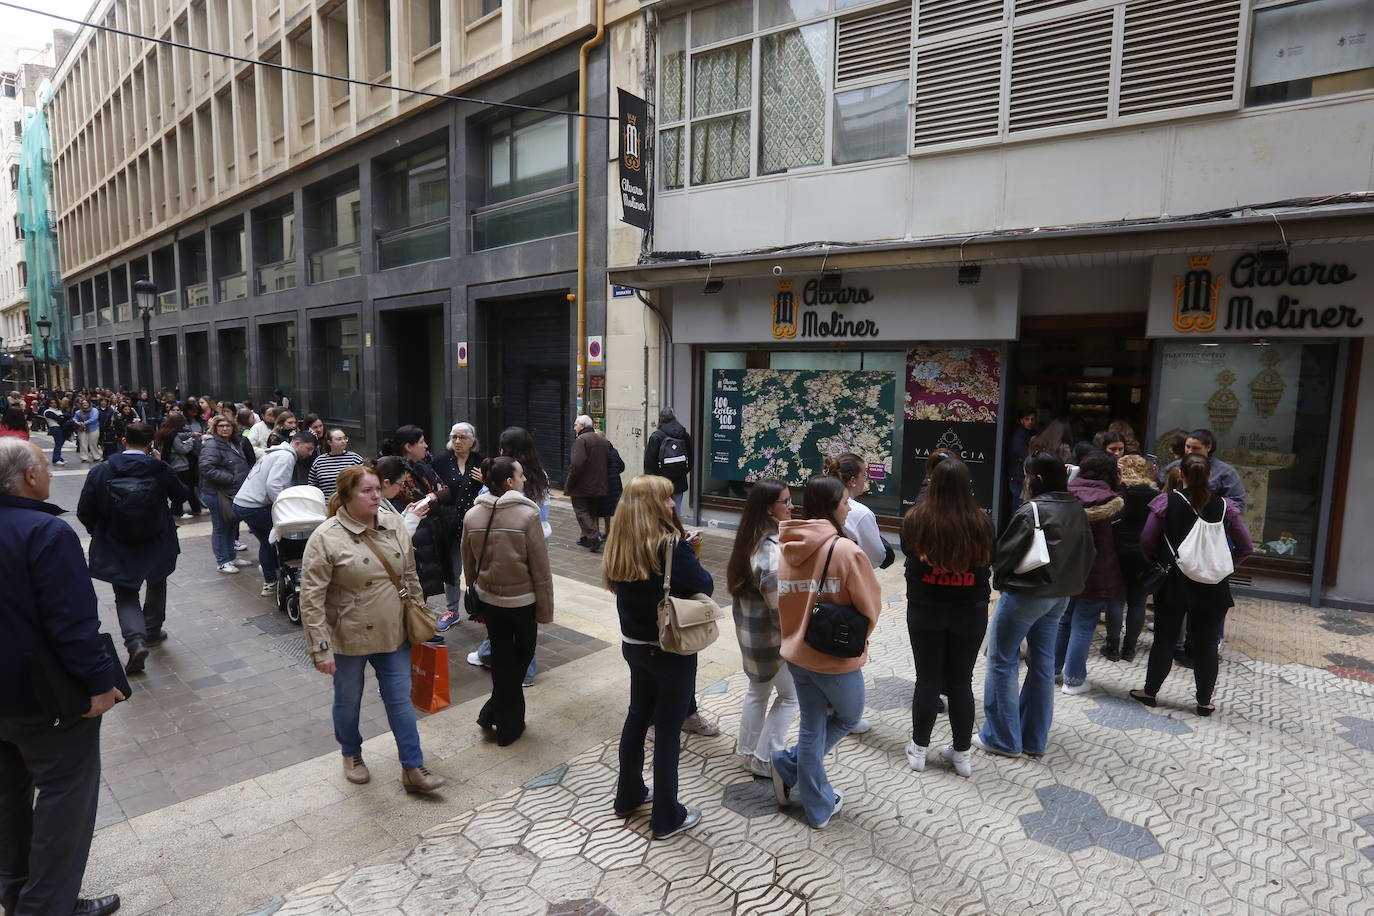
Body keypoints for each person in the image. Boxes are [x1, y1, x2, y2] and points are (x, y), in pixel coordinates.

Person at [0, 438, 124, 916]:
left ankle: (16, 894)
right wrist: (98, 683)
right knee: (65, 799)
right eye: (45, 468)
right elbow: (72, 622)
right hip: (44, 698)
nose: (50, 474)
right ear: (29, 477)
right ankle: (45, 906)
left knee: (9, 796)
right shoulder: (45, 533)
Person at [299, 465, 446, 794]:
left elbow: (409, 575)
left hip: (393, 632)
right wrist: (320, 648)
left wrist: (418, 616)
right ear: (348, 495)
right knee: (348, 700)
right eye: (367, 491)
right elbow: (311, 599)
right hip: (348, 635)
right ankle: (351, 753)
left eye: (378, 488)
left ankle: (413, 767)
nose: (376, 495)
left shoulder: (393, 524)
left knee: (400, 700)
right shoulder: (326, 537)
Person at [768, 475, 882, 829]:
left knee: (812, 725)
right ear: (831, 507)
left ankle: (790, 766)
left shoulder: (787, 544)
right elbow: (871, 607)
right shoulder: (846, 550)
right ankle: (811, 797)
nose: (850, 508)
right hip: (836, 660)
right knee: (848, 717)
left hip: (798, 654)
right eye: (845, 502)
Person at [604, 475, 712, 840]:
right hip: (670, 648)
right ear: (653, 505)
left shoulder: (620, 540)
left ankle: (628, 795)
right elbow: (704, 585)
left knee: (637, 715)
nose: (672, 504)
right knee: (668, 727)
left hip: (633, 644)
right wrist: (689, 551)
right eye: (666, 500)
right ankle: (667, 816)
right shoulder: (670, 545)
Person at [975, 452, 1094, 759]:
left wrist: (999, 581)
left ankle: (1002, 738)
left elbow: (1004, 557)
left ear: (1036, 479)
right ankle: (1033, 740)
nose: (1024, 481)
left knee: (1002, 661)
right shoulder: (1076, 508)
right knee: (1042, 664)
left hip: (1026, 595)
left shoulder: (1032, 510)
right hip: (1061, 596)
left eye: (1026, 475)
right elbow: (1088, 554)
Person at [1130, 454, 1253, 717]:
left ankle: (1150, 693)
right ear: (1209, 476)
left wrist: (1159, 561)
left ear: (1182, 476)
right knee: (1207, 643)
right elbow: (1246, 546)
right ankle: (1204, 703)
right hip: (1214, 584)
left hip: (1174, 581)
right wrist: (1224, 564)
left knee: (1165, 638)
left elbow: (1146, 540)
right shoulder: (1225, 507)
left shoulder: (1167, 502)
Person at [901, 456, 994, 778]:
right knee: (960, 682)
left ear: (933, 485)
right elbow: (989, 560)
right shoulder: (982, 522)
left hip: (925, 608)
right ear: (967, 486)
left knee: (926, 679)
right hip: (971, 611)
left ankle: (918, 750)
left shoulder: (916, 519)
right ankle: (962, 754)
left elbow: (909, 554)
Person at [76, 422, 188, 675]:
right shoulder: (158, 469)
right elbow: (181, 495)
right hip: (157, 538)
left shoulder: (103, 470)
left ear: (124, 441)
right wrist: (163, 465)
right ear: (150, 444)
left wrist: (101, 531)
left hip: (117, 542)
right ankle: (152, 631)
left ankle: (135, 641)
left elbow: (85, 510)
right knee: (157, 582)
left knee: (126, 593)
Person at [462, 457, 553, 746]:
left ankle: (493, 713)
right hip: (522, 602)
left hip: (489, 601)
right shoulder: (528, 517)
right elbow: (540, 568)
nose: (525, 479)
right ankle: (509, 727)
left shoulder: (472, 516)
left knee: (503, 660)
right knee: (521, 659)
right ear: (509, 483)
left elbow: (468, 563)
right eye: (521, 475)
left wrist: (474, 590)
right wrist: (546, 608)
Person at [725, 480, 797, 778]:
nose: (792, 506)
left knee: (758, 691)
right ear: (770, 508)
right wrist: (793, 638)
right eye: (786, 501)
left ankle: (747, 751)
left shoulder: (750, 537)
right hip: (770, 639)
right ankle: (764, 757)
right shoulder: (769, 550)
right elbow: (778, 604)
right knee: (792, 697)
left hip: (751, 635)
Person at [1054, 451, 1124, 696]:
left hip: (1065, 568)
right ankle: (1073, 680)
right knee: (1083, 624)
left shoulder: (1064, 494)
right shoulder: (1113, 499)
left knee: (1064, 618)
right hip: (1096, 570)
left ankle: (1052, 669)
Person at [233, 430, 319, 596]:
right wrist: (285, 508)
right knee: (271, 541)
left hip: (245, 504)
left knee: (268, 542)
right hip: (253, 506)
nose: (309, 454)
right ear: (297, 443)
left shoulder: (278, 452)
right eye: (308, 449)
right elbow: (274, 486)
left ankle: (271, 574)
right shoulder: (286, 456)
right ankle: (270, 580)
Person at [380, 425, 452, 608]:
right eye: (421, 442)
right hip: (415, 534)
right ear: (408, 446)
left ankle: (420, 624)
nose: (426, 446)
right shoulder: (394, 468)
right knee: (414, 582)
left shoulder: (423, 465)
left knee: (423, 585)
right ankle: (415, 627)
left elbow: (446, 491)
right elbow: (418, 500)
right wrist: (435, 496)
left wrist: (435, 496)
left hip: (428, 533)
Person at [433, 422, 484, 631]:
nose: (457, 441)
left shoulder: (483, 462)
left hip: (477, 526)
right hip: (451, 525)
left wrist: (487, 480)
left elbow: (496, 490)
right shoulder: (440, 462)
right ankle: (452, 610)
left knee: (481, 570)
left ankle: (481, 609)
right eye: (454, 437)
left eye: (462, 437)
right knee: (451, 570)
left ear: (472, 441)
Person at [1108, 455, 1157, 662]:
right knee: (1138, 603)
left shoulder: (1119, 493)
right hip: (1144, 553)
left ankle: (1112, 647)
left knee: (1116, 599)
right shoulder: (1155, 494)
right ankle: (1129, 649)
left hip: (1118, 550)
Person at [198, 416, 253, 575]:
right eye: (221, 426)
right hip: (217, 493)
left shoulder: (235, 442)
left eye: (227, 425)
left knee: (231, 524)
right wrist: (232, 478)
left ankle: (231, 557)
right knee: (221, 527)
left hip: (231, 492)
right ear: (215, 428)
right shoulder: (212, 445)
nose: (224, 429)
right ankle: (222, 561)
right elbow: (206, 468)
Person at [824, 452, 893, 569]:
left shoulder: (820, 501)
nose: (865, 480)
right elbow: (877, 558)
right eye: (864, 475)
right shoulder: (861, 513)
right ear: (852, 481)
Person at [1164, 429, 1247, 512]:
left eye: (1196, 448)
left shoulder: (1226, 472)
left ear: (1208, 447)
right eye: (1187, 447)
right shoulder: (1174, 467)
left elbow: (1237, 504)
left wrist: (1215, 513)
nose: (1190, 452)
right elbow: (1160, 490)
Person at [567, 415, 610, 552]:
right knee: (590, 510)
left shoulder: (581, 440)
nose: (574, 428)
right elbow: (609, 461)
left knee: (581, 510)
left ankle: (593, 536)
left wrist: (570, 483)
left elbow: (577, 464)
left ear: (582, 426)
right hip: (599, 484)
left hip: (582, 484)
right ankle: (585, 537)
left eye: (576, 425)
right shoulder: (601, 439)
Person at [155, 414, 206, 519]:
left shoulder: (166, 433)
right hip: (180, 466)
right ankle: (178, 511)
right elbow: (183, 449)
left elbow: (180, 435)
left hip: (174, 465)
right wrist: (190, 441)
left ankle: (194, 509)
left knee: (186, 488)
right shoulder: (173, 436)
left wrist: (192, 434)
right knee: (183, 489)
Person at [644, 407, 692, 514]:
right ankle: (676, 530)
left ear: (660, 419)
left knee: (660, 513)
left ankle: (664, 531)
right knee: (676, 512)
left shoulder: (656, 436)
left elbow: (649, 463)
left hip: (660, 482)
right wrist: (681, 472)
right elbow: (691, 459)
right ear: (674, 418)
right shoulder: (684, 435)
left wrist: (650, 481)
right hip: (679, 481)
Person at [308, 428, 365, 500]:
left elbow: (364, 480)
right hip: (326, 503)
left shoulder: (355, 458)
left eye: (345, 438)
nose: (343, 441)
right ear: (329, 442)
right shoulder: (319, 461)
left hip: (349, 502)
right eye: (339, 439)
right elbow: (312, 485)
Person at [1007, 408, 1037, 514]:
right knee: (1018, 512)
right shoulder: (1019, 437)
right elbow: (1026, 456)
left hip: (1023, 479)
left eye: (1032, 419)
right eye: (1027, 419)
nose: (1030, 422)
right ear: (1021, 420)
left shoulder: (1031, 434)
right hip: (1018, 480)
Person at [600, 439, 626, 539]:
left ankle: (602, 533)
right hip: (616, 484)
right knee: (616, 509)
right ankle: (615, 532)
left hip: (604, 484)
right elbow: (622, 466)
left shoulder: (598, 452)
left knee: (600, 510)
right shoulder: (614, 451)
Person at [73, 398, 101, 463]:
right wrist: (77, 422)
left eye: (86, 403)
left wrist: (85, 422)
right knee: (83, 443)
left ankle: (96, 456)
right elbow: (74, 418)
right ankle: (84, 458)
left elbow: (94, 418)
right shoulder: (78, 412)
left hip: (93, 428)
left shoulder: (94, 410)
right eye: (83, 403)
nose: (85, 404)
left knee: (93, 443)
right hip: (82, 429)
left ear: (89, 404)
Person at [42, 399, 68, 465]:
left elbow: (64, 417)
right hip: (55, 427)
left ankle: (58, 458)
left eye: (55, 403)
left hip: (60, 428)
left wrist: (63, 417)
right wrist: (63, 417)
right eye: (51, 403)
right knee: (58, 443)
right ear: (48, 404)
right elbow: (58, 419)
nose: (54, 404)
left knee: (60, 443)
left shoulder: (57, 410)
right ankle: (56, 459)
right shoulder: (48, 411)